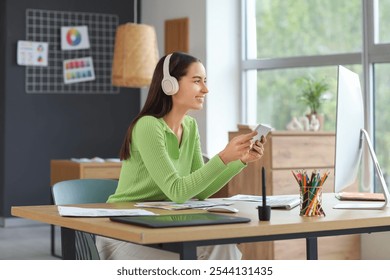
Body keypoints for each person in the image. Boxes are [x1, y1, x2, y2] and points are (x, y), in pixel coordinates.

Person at [96, 52, 266, 260]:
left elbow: (201, 191)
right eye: (197, 81)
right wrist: (223, 157)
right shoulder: (148, 126)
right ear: (170, 85)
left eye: (205, 81)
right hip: (124, 231)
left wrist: (238, 160)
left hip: (162, 223)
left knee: (224, 246)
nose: (205, 89)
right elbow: (177, 191)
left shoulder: (190, 126)